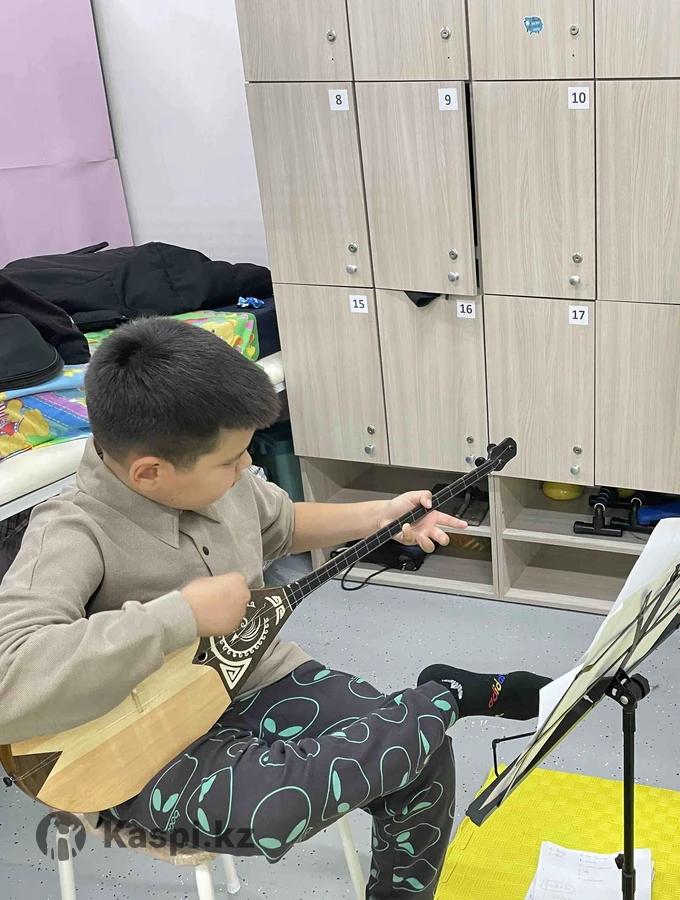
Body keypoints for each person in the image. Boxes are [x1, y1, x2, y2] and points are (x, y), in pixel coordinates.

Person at [0, 318, 549, 899]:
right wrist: (177, 616)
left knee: (424, 758)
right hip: (136, 746)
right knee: (276, 810)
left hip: (260, 676)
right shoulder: (69, 531)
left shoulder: (223, 479)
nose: (246, 469)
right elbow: (11, 677)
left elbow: (281, 524)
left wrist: (382, 517)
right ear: (150, 473)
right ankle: (447, 696)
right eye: (231, 461)